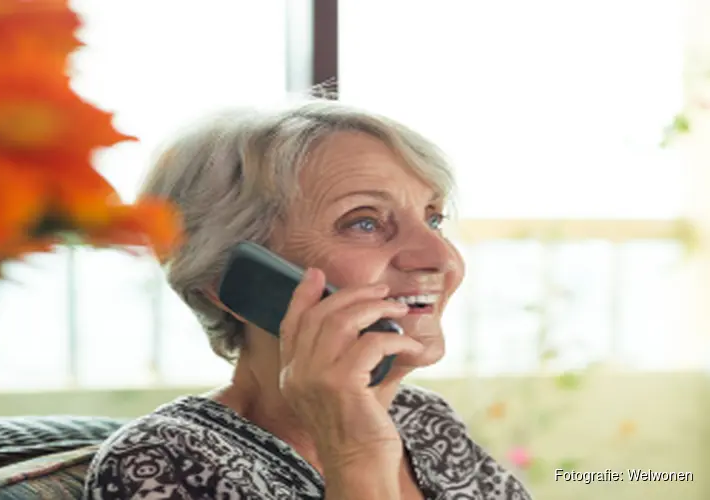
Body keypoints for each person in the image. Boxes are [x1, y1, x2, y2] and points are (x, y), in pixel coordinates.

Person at [83, 100, 532, 499]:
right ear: (234, 281)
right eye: (365, 222)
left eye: (433, 220)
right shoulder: (164, 461)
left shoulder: (422, 420)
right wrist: (356, 457)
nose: (440, 257)